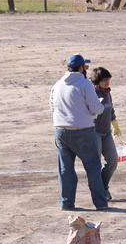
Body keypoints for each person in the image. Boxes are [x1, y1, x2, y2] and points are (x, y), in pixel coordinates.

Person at [50, 54, 108, 211]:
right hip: (83, 131)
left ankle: (66, 203)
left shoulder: (57, 84)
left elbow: (52, 107)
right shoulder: (85, 84)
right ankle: (100, 203)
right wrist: (100, 107)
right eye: (86, 67)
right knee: (93, 168)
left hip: (61, 130)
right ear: (81, 67)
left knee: (65, 169)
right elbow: (96, 108)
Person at [90, 66, 121, 201]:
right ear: (97, 81)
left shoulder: (107, 92)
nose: (107, 82)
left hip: (106, 132)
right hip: (94, 132)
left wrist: (115, 125)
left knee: (113, 160)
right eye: (104, 80)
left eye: (108, 79)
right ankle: (100, 191)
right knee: (96, 163)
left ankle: (103, 187)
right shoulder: (91, 93)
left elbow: (111, 109)